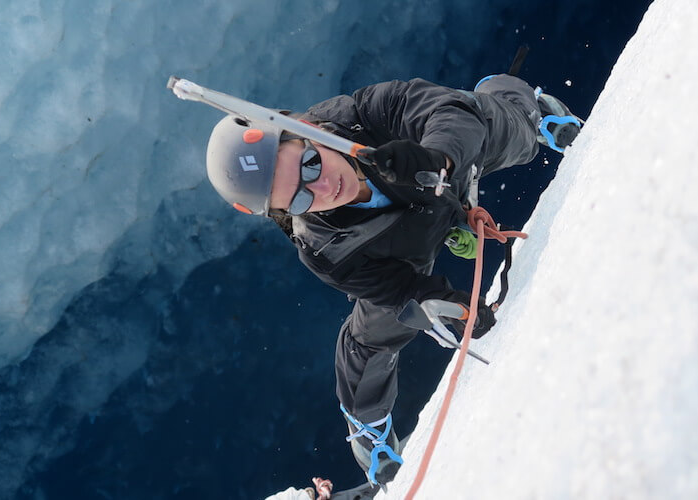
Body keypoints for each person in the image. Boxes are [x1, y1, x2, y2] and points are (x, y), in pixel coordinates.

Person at [204, 74, 580, 487]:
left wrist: (438, 157)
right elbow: (398, 290)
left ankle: (526, 107)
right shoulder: (324, 249)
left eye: (310, 164)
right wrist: (445, 305)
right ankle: (366, 422)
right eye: (298, 199)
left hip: (441, 171)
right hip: (405, 246)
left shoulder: (364, 115)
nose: (325, 187)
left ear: (306, 131)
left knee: (499, 126)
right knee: (375, 332)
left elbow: (451, 113)